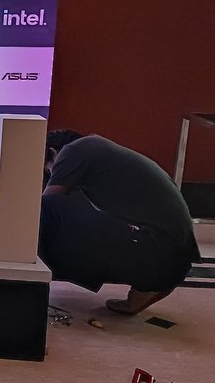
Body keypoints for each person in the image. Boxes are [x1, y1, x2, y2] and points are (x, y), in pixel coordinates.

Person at [40, 129, 200, 315]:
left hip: (158, 252)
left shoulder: (72, 151)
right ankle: (150, 284)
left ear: (52, 152)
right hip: (171, 257)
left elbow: (47, 205)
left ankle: (29, 287)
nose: (51, 174)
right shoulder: (98, 151)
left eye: (48, 169)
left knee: (48, 209)